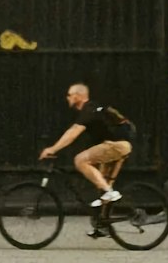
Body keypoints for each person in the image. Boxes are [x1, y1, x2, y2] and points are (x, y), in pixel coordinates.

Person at [39, 82, 132, 231]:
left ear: (78, 96)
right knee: (102, 183)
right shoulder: (91, 110)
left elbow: (73, 133)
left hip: (116, 145)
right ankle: (103, 226)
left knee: (80, 160)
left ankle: (109, 193)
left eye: (69, 95)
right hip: (116, 145)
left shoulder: (88, 109)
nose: (67, 97)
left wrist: (53, 149)